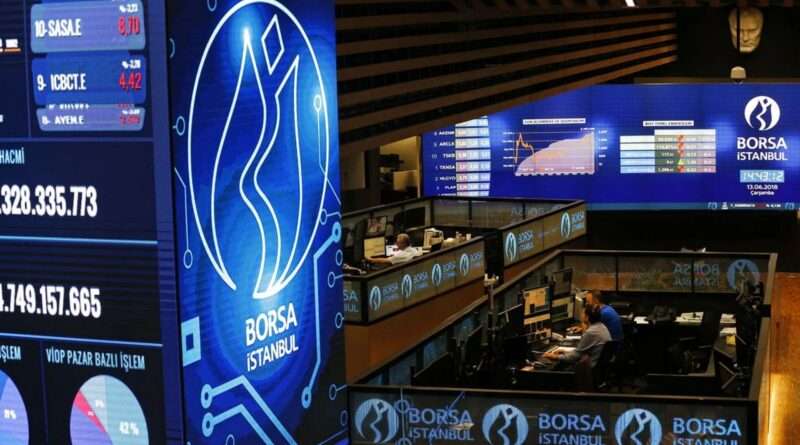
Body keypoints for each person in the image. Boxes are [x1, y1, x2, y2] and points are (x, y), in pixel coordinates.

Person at [544, 303, 610, 367]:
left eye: (583, 313)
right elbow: (581, 351)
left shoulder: (590, 332)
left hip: (589, 369)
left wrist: (555, 356)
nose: (581, 315)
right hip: (599, 366)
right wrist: (566, 352)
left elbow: (574, 357)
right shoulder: (602, 327)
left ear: (587, 317)